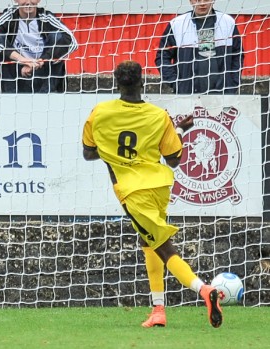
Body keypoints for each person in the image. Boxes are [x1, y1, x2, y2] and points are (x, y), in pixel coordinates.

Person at [82, 60, 223, 328]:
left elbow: (88, 153)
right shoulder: (159, 116)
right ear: (142, 82)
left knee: (162, 248)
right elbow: (173, 159)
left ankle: (204, 290)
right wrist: (180, 129)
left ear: (116, 82)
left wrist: (113, 151)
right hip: (159, 186)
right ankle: (158, 310)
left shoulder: (99, 113)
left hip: (133, 193)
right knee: (148, 243)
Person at [0, 0, 78, 93]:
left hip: (42, 72)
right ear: (16, 0)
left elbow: (72, 41)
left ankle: (47, 96)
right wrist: (22, 60)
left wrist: (41, 61)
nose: (28, 2)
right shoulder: (10, 16)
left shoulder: (46, 17)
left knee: (58, 37)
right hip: (14, 73)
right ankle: (9, 96)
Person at [155, 0, 244, 94]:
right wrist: (176, 84)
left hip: (222, 94)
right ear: (190, 1)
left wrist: (233, 83)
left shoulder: (227, 22)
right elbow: (162, 57)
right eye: (197, 0)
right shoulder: (177, 24)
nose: (202, 3)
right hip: (188, 95)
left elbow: (238, 54)